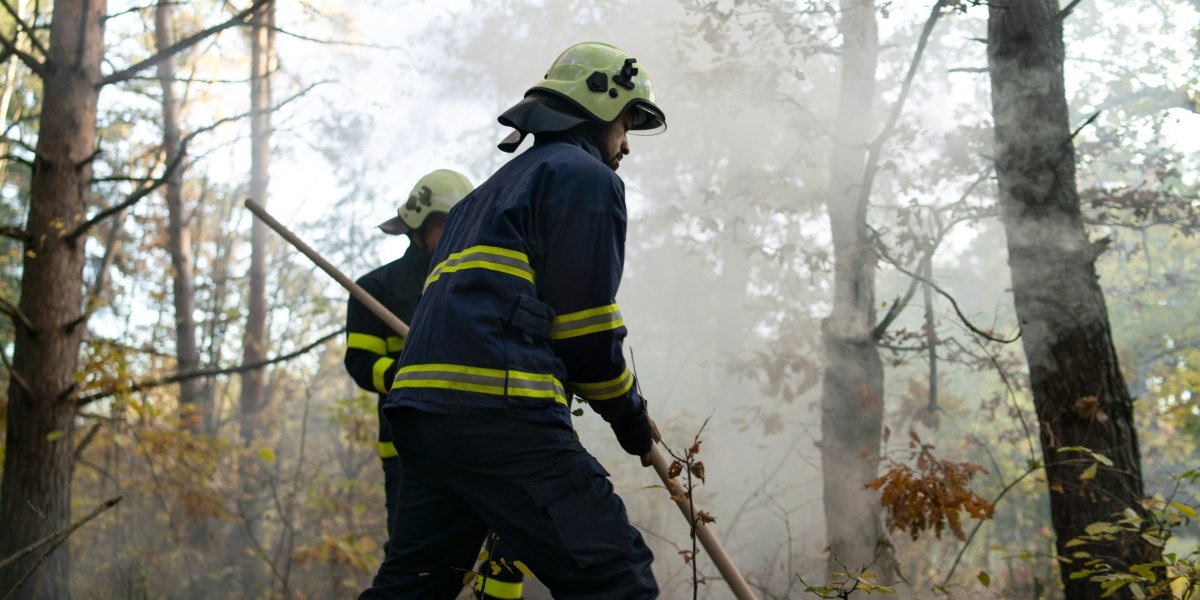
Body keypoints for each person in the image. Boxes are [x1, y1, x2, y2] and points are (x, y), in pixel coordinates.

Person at [360, 41, 666, 599]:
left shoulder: (481, 197)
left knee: (411, 589)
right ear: (602, 104)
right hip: (499, 415)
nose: (625, 146)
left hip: (425, 421)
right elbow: (586, 331)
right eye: (626, 125)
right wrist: (630, 417)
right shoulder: (584, 179)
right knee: (616, 577)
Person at [345, 169, 526, 600]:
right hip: (411, 454)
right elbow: (361, 363)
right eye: (445, 223)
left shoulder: (486, 283)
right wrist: (411, 370)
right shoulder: (377, 289)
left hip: (485, 443)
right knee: (417, 570)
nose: (455, 234)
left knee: (507, 557)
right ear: (419, 225)